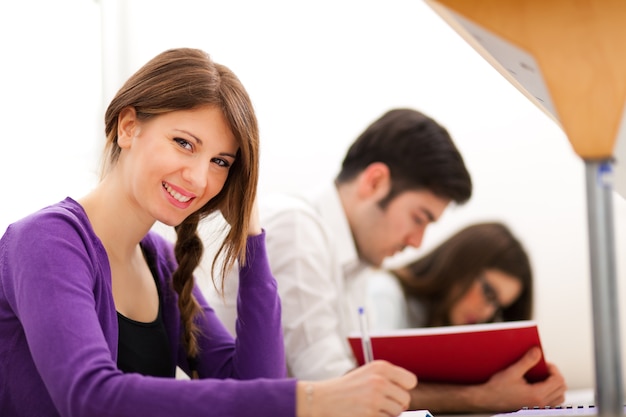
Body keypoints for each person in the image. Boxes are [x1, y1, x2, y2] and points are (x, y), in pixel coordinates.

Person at [0, 48, 417, 417]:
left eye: (221, 162)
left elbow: (253, 386)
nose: (200, 178)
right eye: (184, 143)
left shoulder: (160, 260)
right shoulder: (47, 241)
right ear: (128, 127)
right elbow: (91, 397)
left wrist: (250, 235)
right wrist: (309, 400)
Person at [203, 108, 567, 414]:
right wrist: (480, 399)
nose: (417, 242)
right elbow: (338, 389)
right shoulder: (298, 228)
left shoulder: (357, 265)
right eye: (419, 218)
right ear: (374, 182)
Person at [368, 221, 534, 330]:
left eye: (498, 307)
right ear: (463, 263)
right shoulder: (385, 293)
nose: (487, 313)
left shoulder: (439, 325)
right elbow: (376, 381)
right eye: (489, 293)